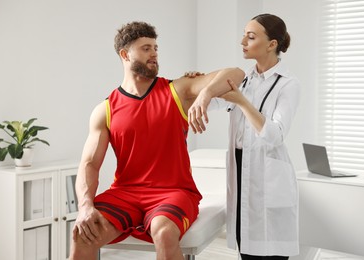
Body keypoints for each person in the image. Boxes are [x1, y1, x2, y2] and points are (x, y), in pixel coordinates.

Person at [68, 21, 244, 260]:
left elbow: (236, 73)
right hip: (125, 193)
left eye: (155, 48)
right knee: (83, 234)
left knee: (164, 233)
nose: (154, 54)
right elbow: (89, 164)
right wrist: (85, 206)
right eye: (146, 48)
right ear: (124, 54)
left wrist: (205, 93)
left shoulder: (177, 90)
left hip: (174, 192)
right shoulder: (105, 109)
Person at [188, 14, 300, 259]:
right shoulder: (243, 79)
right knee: (246, 250)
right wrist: (201, 87)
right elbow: (214, 103)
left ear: (272, 44)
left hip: (267, 174)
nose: (242, 41)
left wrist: (242, 101)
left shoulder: (287, 84)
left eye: (251, 37)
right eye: (244, 35)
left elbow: (275, 135)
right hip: (241, 170)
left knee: (269, 252)